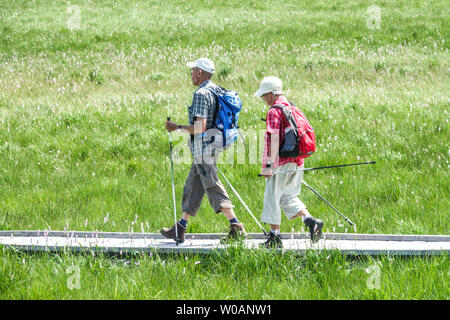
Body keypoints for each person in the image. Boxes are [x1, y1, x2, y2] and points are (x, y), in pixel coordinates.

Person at [161, 58, 247, 243]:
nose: (191, 74)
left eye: (192, 71)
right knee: (193, 186)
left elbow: (200, 127)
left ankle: (236, 225)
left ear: (200, 73)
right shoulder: (217, 90)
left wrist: (177, 127)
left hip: (205, 147)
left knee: (211, 184)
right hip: (214, 143)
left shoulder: (201, 94)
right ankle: (180, 227)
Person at [255, 76, 323, 248]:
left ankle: (274, 238)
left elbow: (274, 138)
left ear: (271, 94)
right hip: (297, 161)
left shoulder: (274, 111)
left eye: (264, 96)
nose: (263, 99)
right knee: (288, 197)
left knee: (272, 197)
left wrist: (269, 165)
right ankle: (311, 222)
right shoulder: (291, 106)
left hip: (281, 162)